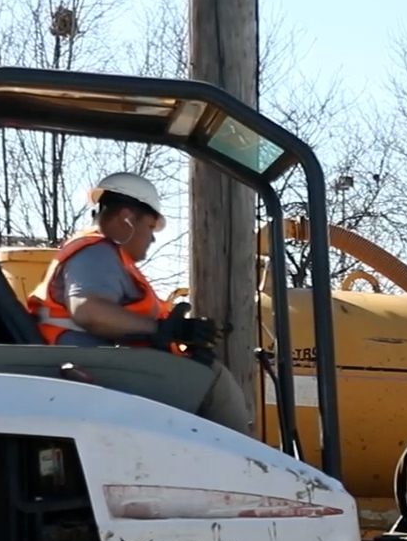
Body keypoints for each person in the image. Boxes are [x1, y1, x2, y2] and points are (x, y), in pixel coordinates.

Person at [24, 171, 250, 431]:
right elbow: (88, 311)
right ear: (127, 219)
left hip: (97, 364)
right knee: (212, 378)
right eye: (151, 227)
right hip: (92, 370)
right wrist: (161, 330)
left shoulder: (105, 255)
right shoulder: (97, 253)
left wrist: (181, 332)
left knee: (201, 370)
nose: (152, 238)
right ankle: (248, 468)